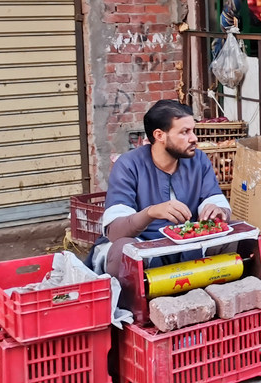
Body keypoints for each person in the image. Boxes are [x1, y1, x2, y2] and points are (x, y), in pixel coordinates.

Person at [95, 100, 230, 276]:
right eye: (184, 132)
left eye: (193, 131)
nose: (194, 138)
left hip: (189, 243)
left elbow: (214, 199)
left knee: (240, 236)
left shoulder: (199, 160)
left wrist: (217, 210)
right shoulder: (128, 165)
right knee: (122, 250)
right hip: (143, 246)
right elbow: (115, 231)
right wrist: (151, 212)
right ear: (159, 135)